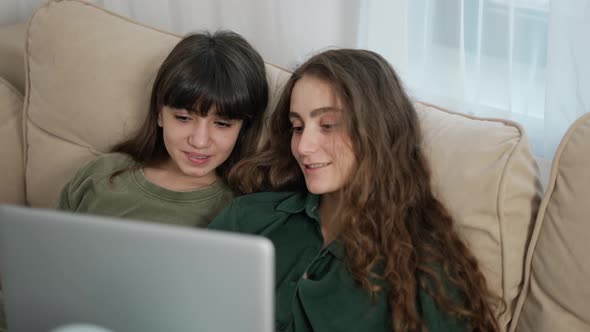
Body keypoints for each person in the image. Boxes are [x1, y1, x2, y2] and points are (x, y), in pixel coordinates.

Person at [208, 49, 501, 331]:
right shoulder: (248, 217)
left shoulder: (424, 273)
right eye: (297, 127)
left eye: (328, 125)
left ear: (376, 131)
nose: (303, 146)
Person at [54, 30, 268, 228]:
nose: (199, 141)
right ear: (159, 113)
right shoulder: (101, 174)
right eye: (183, 118)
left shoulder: (244, 211)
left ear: (243, 128)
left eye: (222, 124)